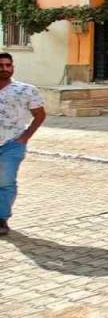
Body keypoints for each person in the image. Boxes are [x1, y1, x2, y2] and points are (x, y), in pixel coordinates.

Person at [0, 52, 46, 236]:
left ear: (13, 67)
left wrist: (25, 137)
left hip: (12, 143)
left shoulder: (26, 90)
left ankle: (2, 219)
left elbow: (40, 115)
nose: (4, 69)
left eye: (8, 65)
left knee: (5, 180)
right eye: (0, 65)